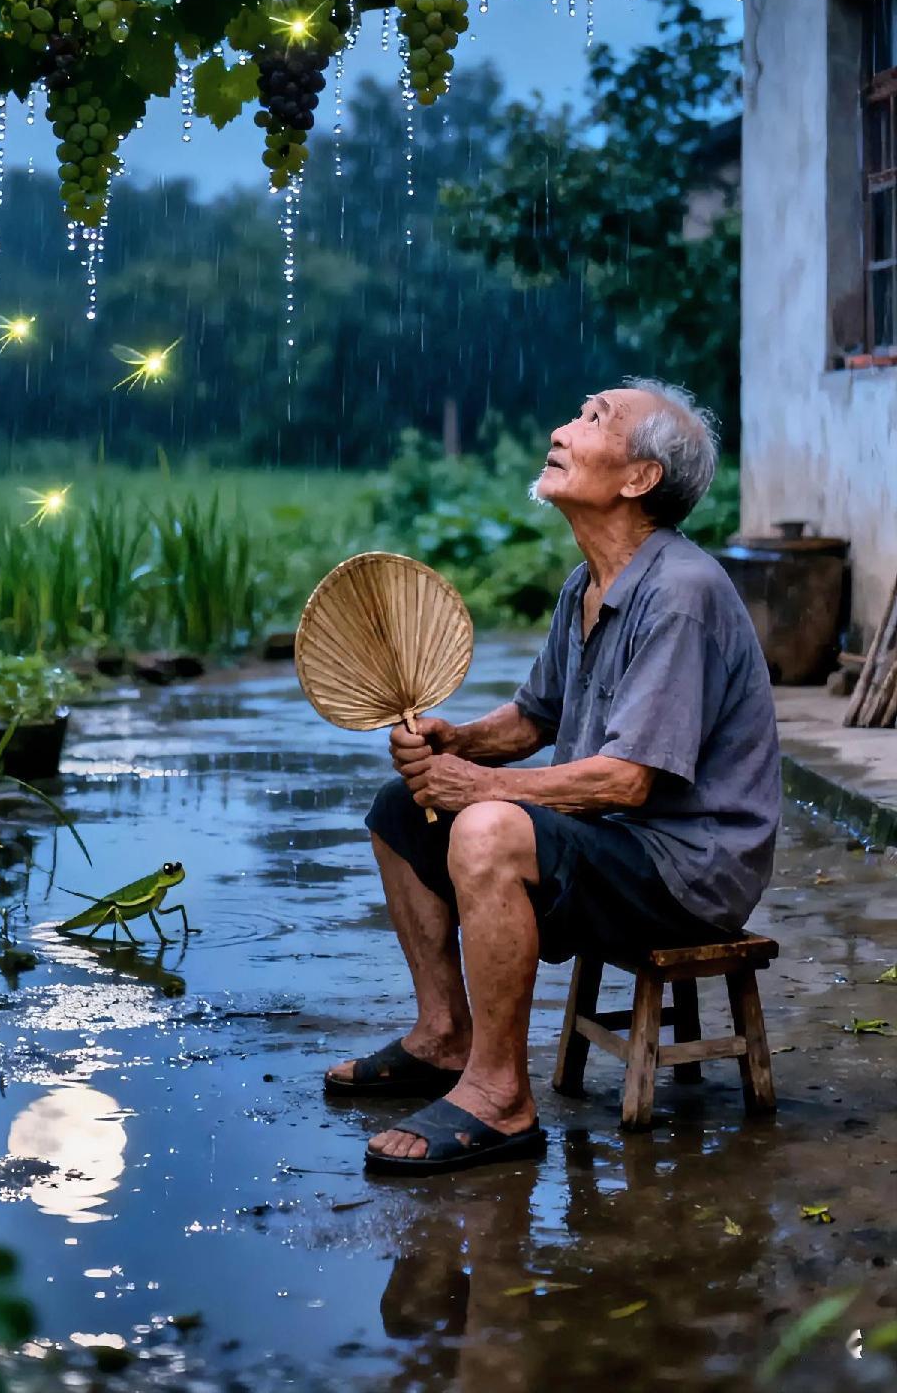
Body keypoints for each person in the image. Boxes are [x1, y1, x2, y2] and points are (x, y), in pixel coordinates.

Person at [324, 379, 781, 1176]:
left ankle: (500, 1096)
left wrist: (483, 789)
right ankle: (444, 1038)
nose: (566, 429)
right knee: (402, 808)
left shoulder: (679, 593)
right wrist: (455, 741)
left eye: (595, 418)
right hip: (622, 846)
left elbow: (628, 783)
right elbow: (536, 718)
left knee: (488, 827)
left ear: (639, 480)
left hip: (688, 871)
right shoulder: (589, 583)